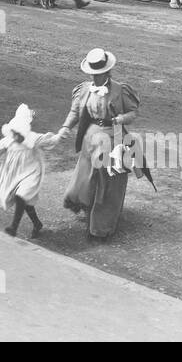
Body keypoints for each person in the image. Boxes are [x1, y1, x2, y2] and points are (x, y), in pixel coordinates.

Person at [62, 48, 144, 240]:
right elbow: (75, 113)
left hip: (113, 138)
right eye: (93, 73)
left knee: (109, 183)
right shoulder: (84, 89)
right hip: (90, 139)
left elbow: (134, 112)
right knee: (86, 178)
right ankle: (85, 206)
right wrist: (66, 127)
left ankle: (102, 227)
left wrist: (122, 118)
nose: (95, 76)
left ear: (107, 71)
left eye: (99, 73)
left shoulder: (120, 90)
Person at [0, 104, 66, 238]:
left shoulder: (33, 138)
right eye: (14, 132)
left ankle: (13, 227)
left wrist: (60, 135)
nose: (16, 136)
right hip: (14, 173)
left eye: (19, 133)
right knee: (24, 200)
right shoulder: (9, 140)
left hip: (30, 172)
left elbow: (49, 140)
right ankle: (37, 223)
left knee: (21, 195)